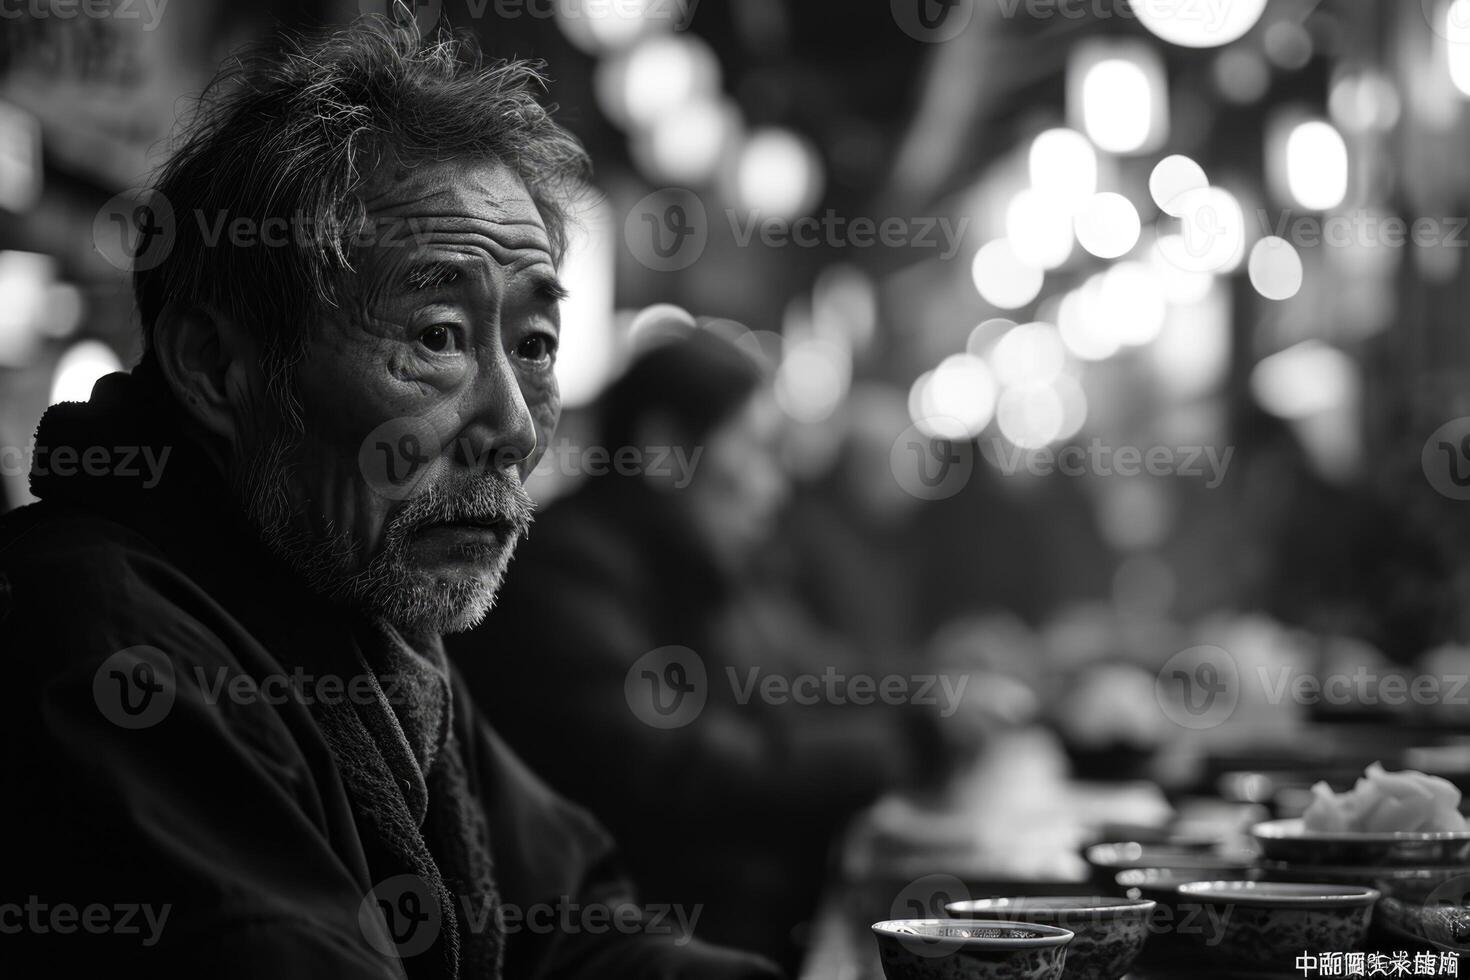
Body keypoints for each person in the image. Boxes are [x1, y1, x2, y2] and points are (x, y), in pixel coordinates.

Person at [0, 20, 779, 980]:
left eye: (533, 344)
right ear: (215, 368)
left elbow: (576, 925)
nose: (517, 426)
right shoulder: (110, 653)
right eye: (440, 335)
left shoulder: (367, 619)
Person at [449, 330, 946, 970]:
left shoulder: (702, 566)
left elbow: (816, 676)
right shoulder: (566, 572)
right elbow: (676, 767)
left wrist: (936, 690)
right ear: (665, 450)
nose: (776, 487)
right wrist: (907, 741)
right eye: (759, 451)